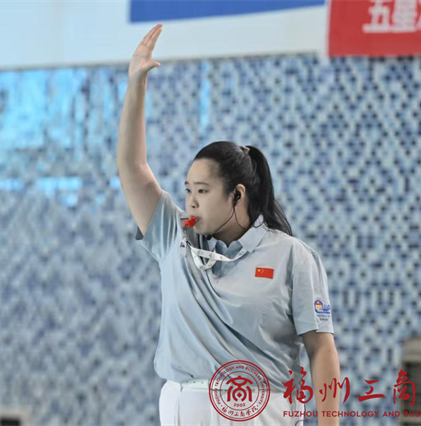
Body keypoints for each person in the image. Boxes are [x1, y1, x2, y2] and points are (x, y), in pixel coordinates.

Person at [117, 24, 341, 426]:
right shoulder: (173, 236)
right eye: (188, 190)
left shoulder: (292, 256)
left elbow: (321, 350)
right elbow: (133, 167)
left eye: (202, 191)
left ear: (237, 196)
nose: (190, 201)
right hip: (183, 409)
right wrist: (136, 85)